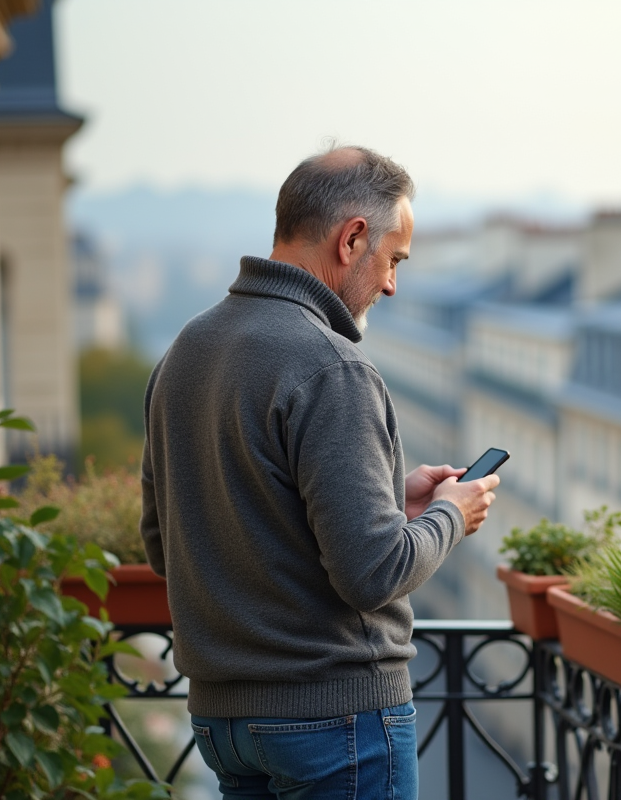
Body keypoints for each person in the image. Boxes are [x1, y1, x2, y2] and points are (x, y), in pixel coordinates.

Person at [140, 145, 499, 800]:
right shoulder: (332, 367)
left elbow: (168, 546)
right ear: (352, 238)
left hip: (223, 723)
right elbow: (374, 574)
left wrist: (388, 503)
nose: (391, 285)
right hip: (335, 721)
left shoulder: (186, 350)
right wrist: (453, 514)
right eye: (394, 260)